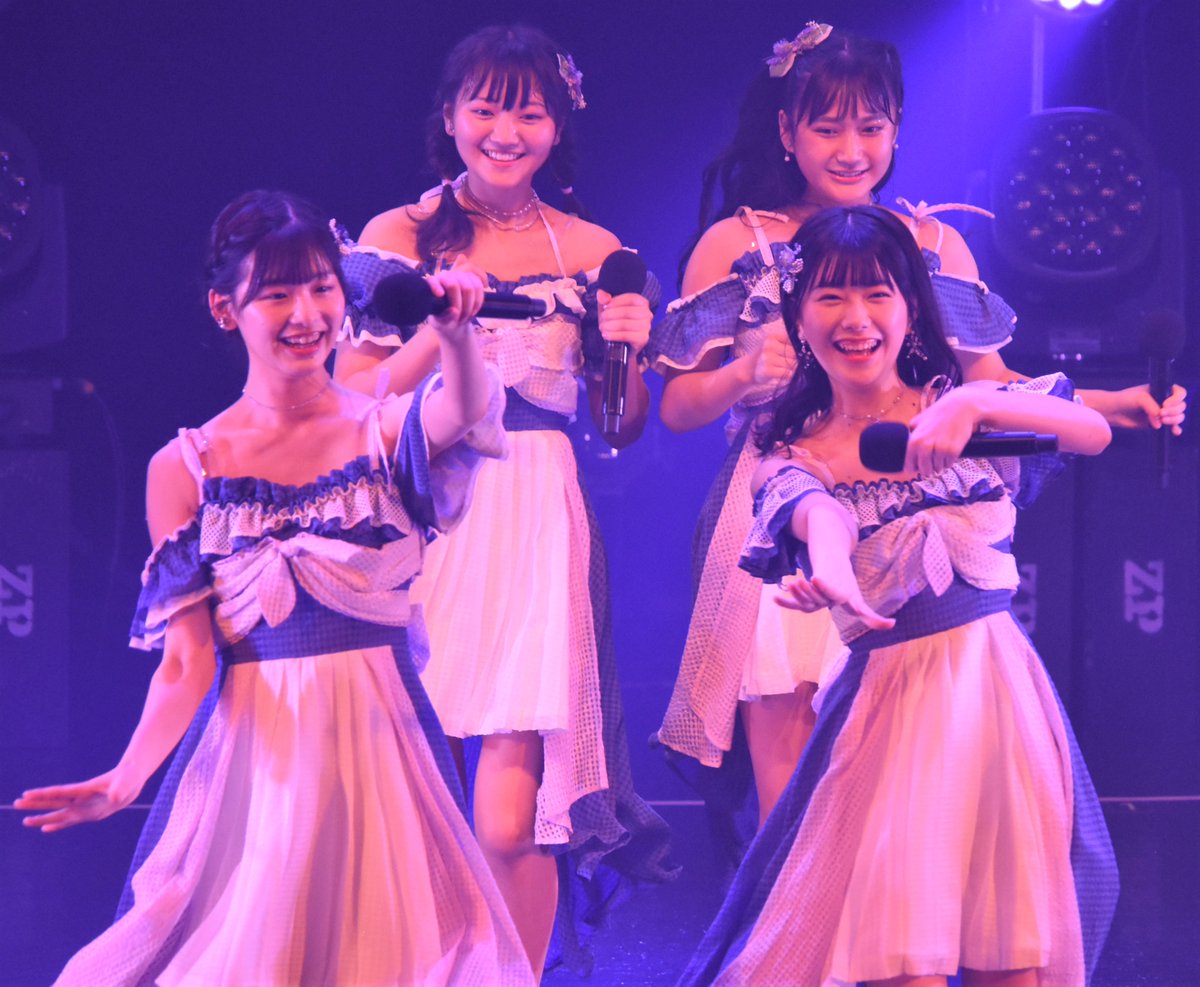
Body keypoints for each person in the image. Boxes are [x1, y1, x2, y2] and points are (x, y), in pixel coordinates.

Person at [648, 22, 1186, 835]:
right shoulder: (739, 242)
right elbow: (677, 407)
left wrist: (1112, 402)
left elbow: (989, 383)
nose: (851, 149)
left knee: (905, 779)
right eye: (828, 128)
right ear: (787, 131)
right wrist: (739, 375)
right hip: (784, 500)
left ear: (897, 128)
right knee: (791, 774)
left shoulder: (931, 244)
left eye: (870, 126)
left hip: (906, 509)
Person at [16, 189, 535, 985]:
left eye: (323, 287)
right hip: (256, 771)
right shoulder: (186, 467)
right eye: (278, 293)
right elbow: (186, 660)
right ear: (226, 309)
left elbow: (464, 410)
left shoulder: (381, 429)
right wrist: (125, 778)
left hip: (380, 756)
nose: (307, 314)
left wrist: (458, 333)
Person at [680, 204, 1119, 986]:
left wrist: (975, 402)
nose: (856, 318)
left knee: (1013, 953)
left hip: (998, 703)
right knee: (903, 958)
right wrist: (833, 574)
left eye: (877, 294)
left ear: (911, 306)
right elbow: (817, 519)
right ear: (799, 317)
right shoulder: (794, 452)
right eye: (831, 296)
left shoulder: (961, 411)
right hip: (893, 714)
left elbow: (1092, 432)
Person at [333, 25, 675, 978]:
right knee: (419, 791)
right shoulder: (396, 237)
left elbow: (620, 424)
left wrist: (626, 347)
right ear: (448, 117)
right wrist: (445, 323)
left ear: (559, 125)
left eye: (529, 113)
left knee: (510, 818)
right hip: (425, 504)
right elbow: (354, 397)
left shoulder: (594, 248)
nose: (505, 132)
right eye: (484, 108)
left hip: (534, 512)